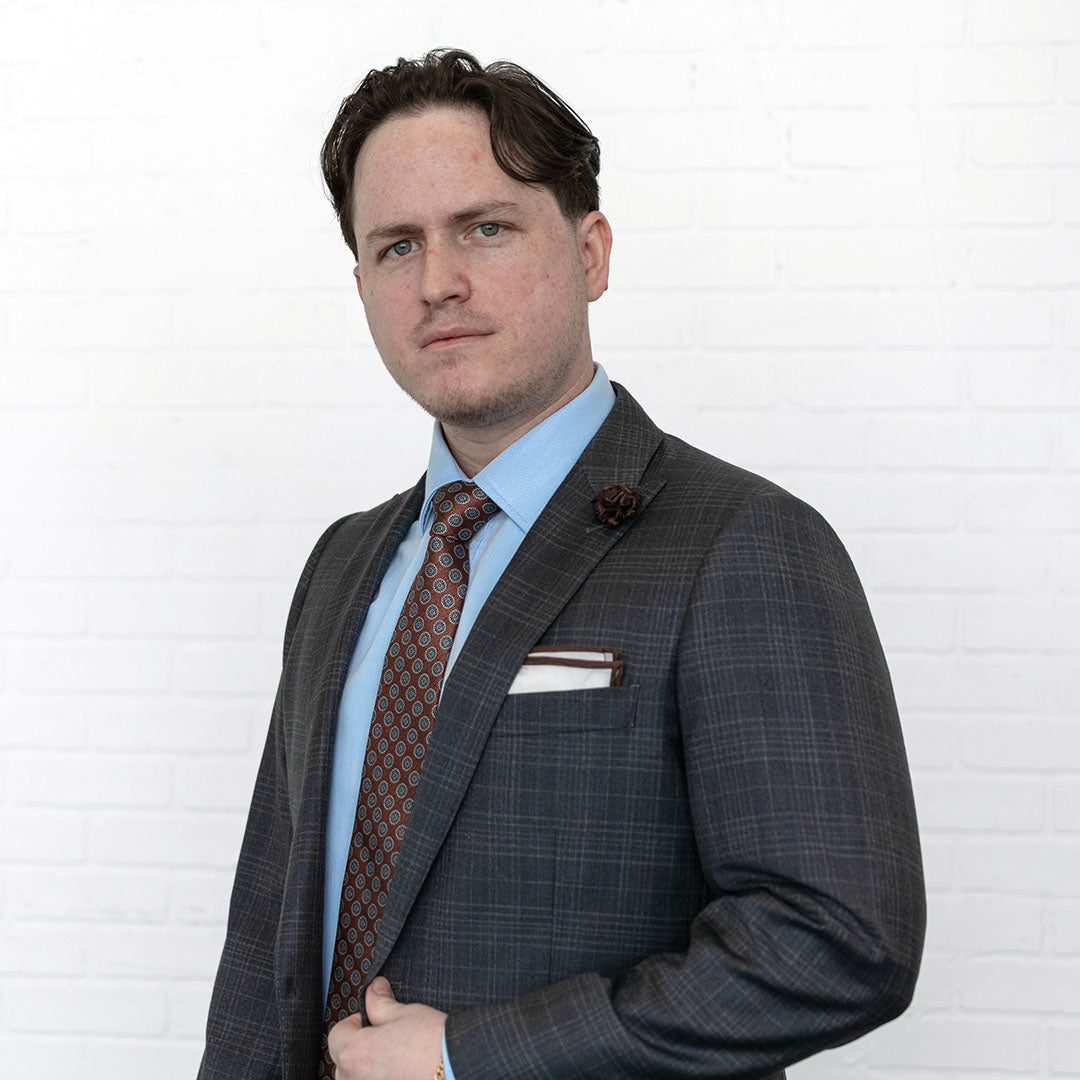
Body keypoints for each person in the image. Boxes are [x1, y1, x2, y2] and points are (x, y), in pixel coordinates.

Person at [198, 48, 925, 1080]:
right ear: (361, 285)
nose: (439, 282)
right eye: (397, 246)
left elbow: (837, 941)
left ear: (591, 253)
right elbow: (268, 935)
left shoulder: (740, 547)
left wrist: (466, 1055)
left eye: (485, 228)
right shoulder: (343, 567)